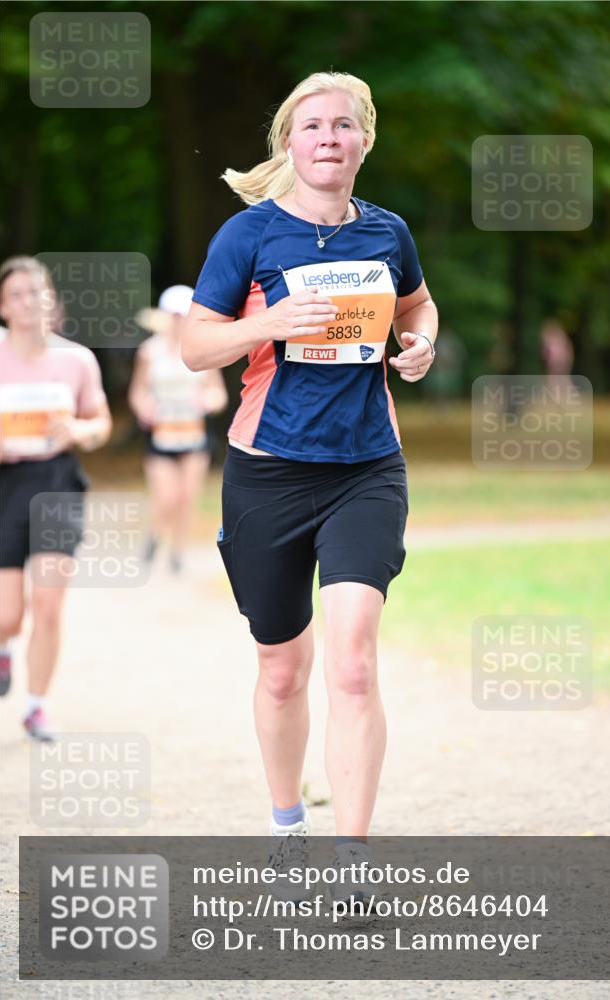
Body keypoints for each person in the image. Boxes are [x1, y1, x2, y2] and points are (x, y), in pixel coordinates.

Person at [183, 72, 438, 907]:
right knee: (283, 667)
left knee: (354, 662)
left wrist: (421, 344)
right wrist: (266, 325)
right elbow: (195, 346)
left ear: (364, 139)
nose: (327, 138)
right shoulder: (248, 236)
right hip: (268, 470)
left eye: (342, 126)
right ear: (288, 144)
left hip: (367, 466)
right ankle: (286, 824)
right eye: (311, 126)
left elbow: (417, 305)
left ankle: (352, 861)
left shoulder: (389, 231)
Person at [0, 256, 111, 740]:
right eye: (18, 293)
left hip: (56, 484)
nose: (29, 300)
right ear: (3, 307)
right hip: (4, 486)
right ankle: (4, 648)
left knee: (48, 605)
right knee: (8, 614)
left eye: (37, 290)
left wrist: (79, 431)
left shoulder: (76, 360)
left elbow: (101, 423)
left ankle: (37, 706)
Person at [128, 285, 227, 573]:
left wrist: (207, 401)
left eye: (183, 315)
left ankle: (177, 553)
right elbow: (137, 391)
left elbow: (218, 394)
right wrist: (144, 407)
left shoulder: (201, 351)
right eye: (173, 315)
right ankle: (155, 535)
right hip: (161, 434)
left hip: (193, 433)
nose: (178, 321)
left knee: (187, 496)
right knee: (166, 496)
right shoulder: (149, 352)